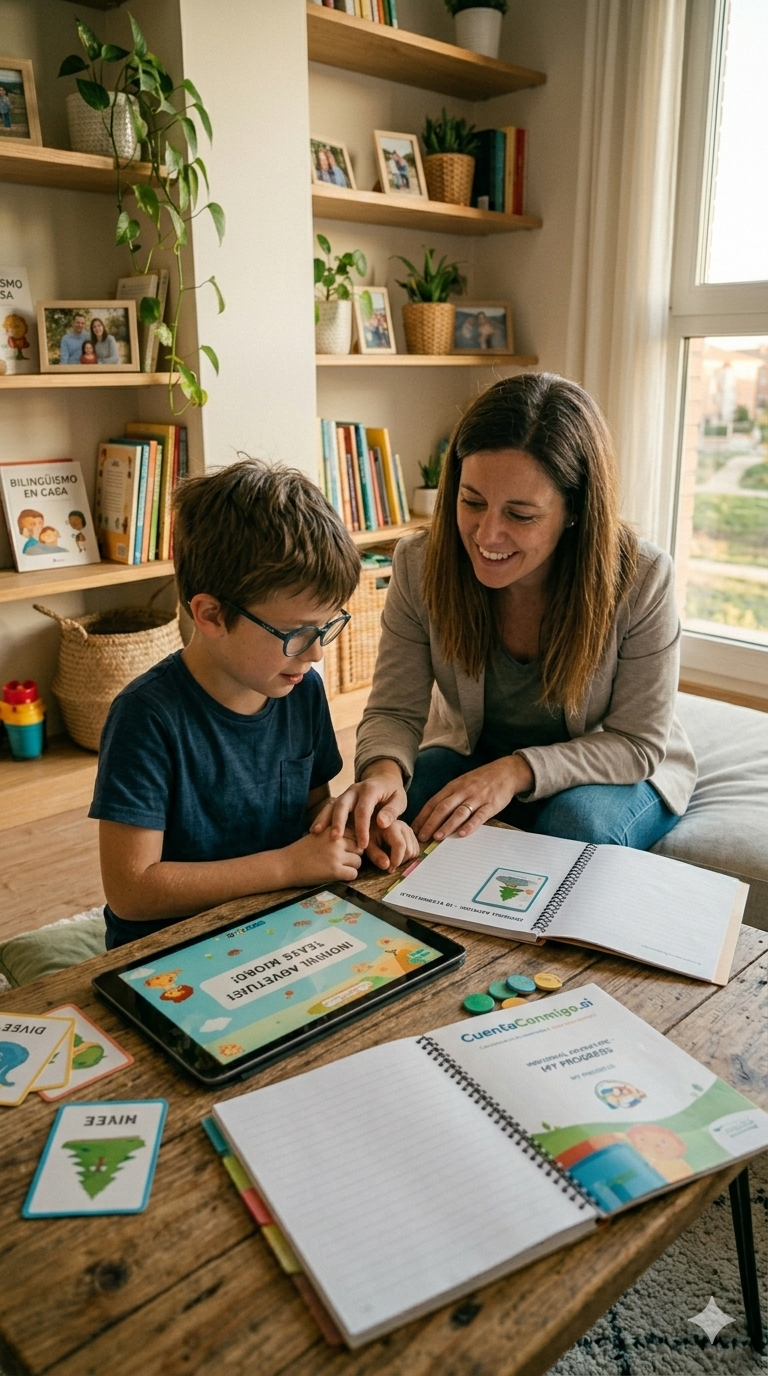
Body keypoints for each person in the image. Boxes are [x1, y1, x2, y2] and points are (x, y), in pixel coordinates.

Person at [313, 373, 696, 871]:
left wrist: (515, 771)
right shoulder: (418, 562)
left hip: (614, 767)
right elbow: (395, 711)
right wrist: (383, 775)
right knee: (387, 820)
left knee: (571, 828)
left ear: (575, 510)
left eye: (520, 514)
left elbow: (636, 743)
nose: (487, 534)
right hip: (479, 754)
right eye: (472, 502)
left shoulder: (644, 578)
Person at [89, 458, 415, 951]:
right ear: (211, 615)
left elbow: (311, 809)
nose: (316, 652)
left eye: (326, 627)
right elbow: (131, 891)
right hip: (171, 952)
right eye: (297, 633)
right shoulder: (145, 717)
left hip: (279, 923)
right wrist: (286, 866)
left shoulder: (299, 687)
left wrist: (355, 833)